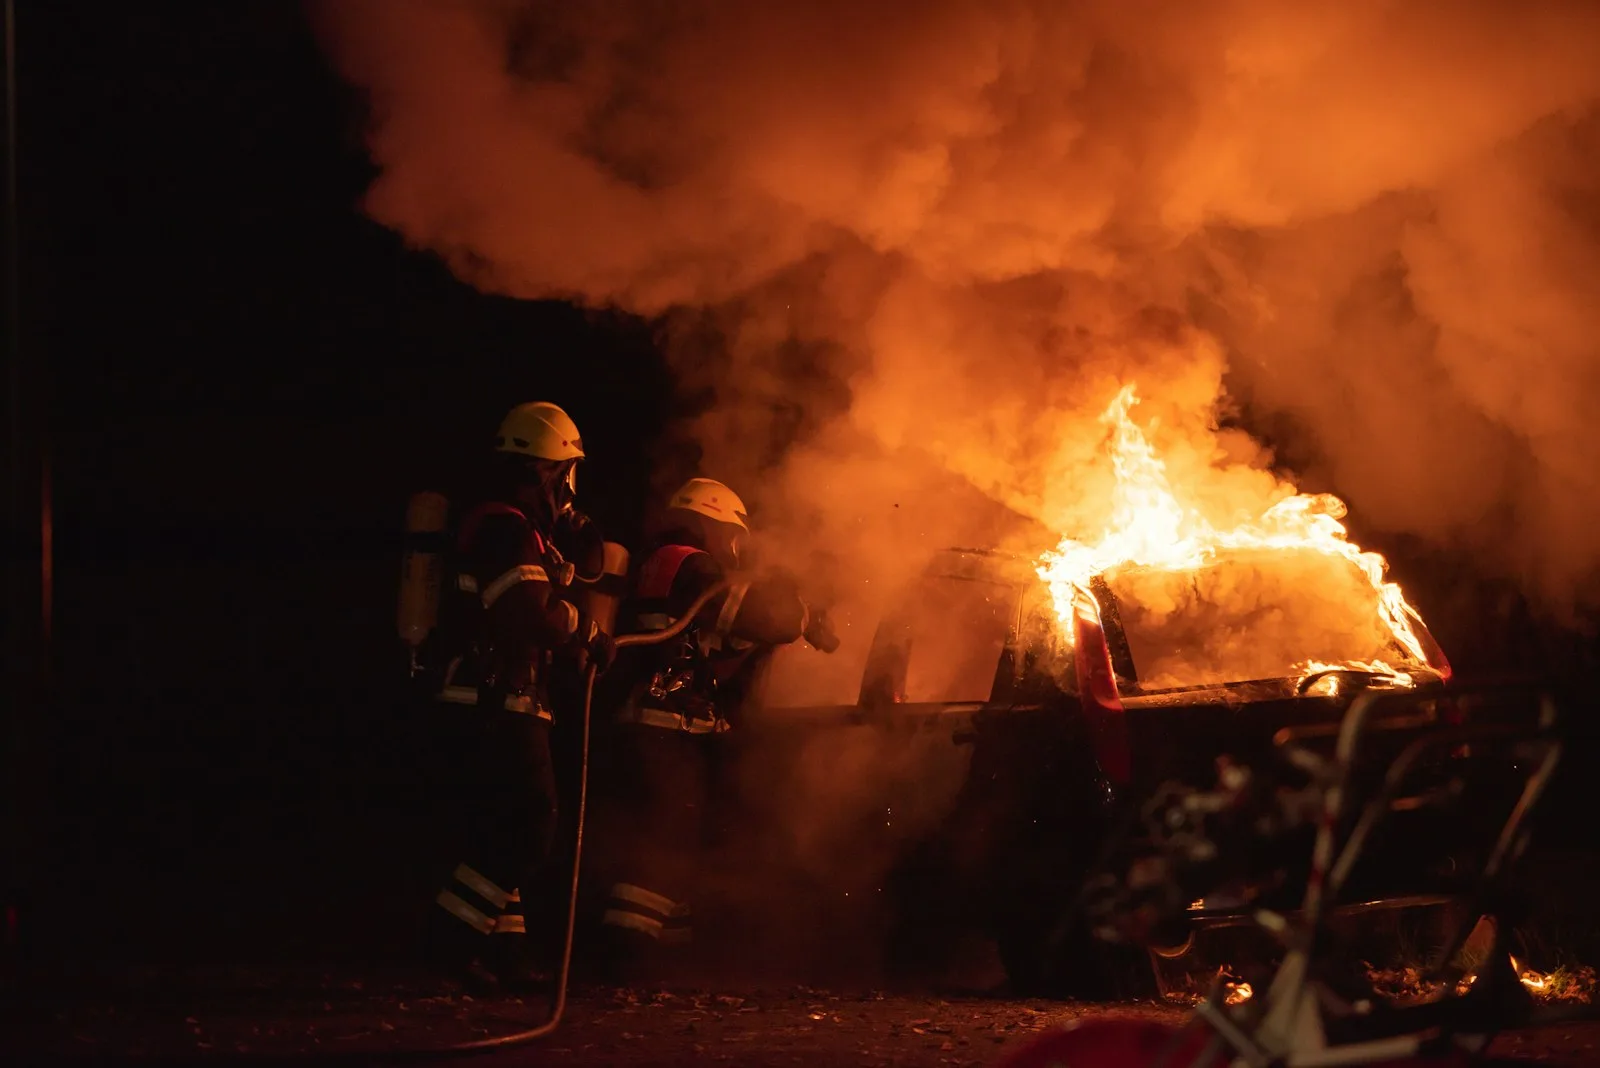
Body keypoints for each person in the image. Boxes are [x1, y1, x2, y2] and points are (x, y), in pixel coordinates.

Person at [595, 477, 838, 975]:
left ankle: (670, 957)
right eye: (734, 536)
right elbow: (748, 613)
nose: (735, 549)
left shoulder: (657, 560)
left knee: (681, 834)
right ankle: (624, 956)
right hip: (664, 723)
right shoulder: (689, 561)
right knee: (671, 840)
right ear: (716, 524)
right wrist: (807, 615)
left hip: (657, 722)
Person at [424, 401, 616, 991]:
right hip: (494, 700)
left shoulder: (510, 523)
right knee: (532, 824)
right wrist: (588, 632)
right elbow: (526, 610)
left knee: (500, 830)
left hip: (491, 697)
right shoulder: (504, 524)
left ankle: (504, 958)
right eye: (567, 472)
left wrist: (577, 542)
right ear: (546, 468)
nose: (569, 487)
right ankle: (448, 941)